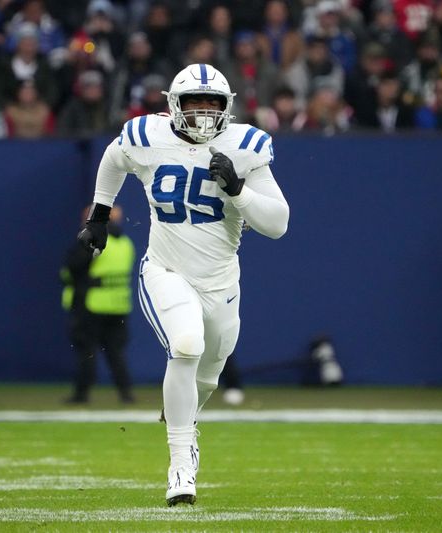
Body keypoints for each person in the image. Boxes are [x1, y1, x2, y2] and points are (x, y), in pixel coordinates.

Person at [75, 63, 289, 506]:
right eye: (196, 102)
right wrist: (99, 214)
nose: (205, 112)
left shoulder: (245, 145)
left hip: (221, 281)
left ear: (228, 107)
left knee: (207, 377)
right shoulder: (147, 136)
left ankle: (185, 420)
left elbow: (278, 224)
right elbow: (114, 159)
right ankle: (180, 465)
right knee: (186, 345)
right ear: (175, 105)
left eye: (213, 103)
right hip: (166, 270)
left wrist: (238, 191)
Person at [61, 204, 136, 404]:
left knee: (86, 351)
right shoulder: (125, 242)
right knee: (116, 352)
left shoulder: (93, 240)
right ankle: (126, 393)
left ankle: (81, 394)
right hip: (118, 304)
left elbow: (73, 267)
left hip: (91, 303)